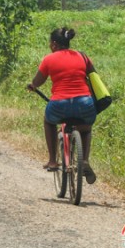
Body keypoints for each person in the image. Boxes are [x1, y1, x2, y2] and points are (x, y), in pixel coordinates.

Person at [27, 26, 97, 183]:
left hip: (59, 104)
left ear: (53, 44)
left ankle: (52, 160)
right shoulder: (83, 57)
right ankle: (84, 160)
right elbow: (94, 76)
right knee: (85, 128)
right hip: (84, 102)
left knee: (49, 121)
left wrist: (33, 86)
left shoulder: (49, 59)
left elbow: (38, 81)